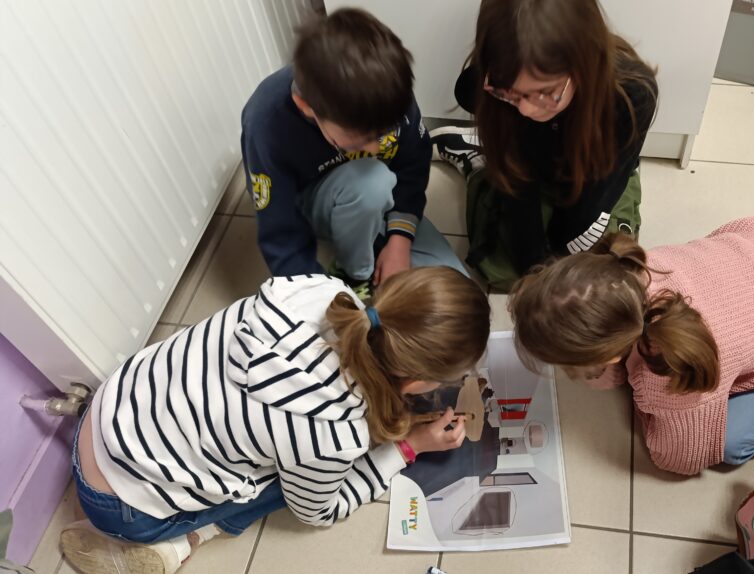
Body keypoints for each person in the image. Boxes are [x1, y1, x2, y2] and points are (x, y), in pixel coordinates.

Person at [59, 268, 489, 574]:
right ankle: (182, 541)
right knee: (293, 480)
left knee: (284, 445)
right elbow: (319, 512)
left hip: (108, 411)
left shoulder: (320, 289)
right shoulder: (335, 434)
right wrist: (407, 447)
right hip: (121, 507)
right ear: (414, 383)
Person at [508, 216, 754, 475]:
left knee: (730, 445)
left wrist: (633, 391)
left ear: (612, 354)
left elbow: (680, 459)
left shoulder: (670, 371)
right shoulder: (633, 267)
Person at [431, 0, 658, 291]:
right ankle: (477, 161)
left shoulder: (631, 96)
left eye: (545, 93)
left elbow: (593, 200)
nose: (525, 110)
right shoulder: (491, 84)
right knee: (506, 273)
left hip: (594, 176)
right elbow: (517, 183)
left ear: (583, 65)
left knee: (602, 281)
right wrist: (534, 267)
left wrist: (559, 261)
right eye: (510, 93)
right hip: (529, 163)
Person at [241, 9, 464, 297]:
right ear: (306, 107)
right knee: (372, 180)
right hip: (315, 201)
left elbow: (412, 164)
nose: (376, 148)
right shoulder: (267, 124)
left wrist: (400, 241)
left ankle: (370, 236)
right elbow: (280, 234)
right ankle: (354, 272)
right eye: (361, 139)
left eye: (383, 133)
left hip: (377, 196)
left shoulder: (388, 94)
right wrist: (318, 297)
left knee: (455, 288)